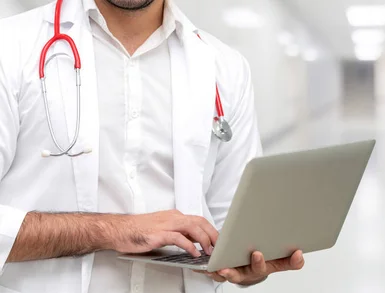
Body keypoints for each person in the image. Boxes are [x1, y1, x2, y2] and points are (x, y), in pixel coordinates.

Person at [0, 0, 305, 292]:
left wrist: (246, 265)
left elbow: (232, 229)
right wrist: (112, 230)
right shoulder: (11, 47)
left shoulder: (225, 67)